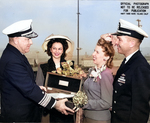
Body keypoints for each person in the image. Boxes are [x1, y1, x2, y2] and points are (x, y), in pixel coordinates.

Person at [0, 19, 74, 122]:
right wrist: (55, 104)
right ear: (16, 40)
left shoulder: (16, 55)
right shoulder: (12, 60)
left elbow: (23, 84)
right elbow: (28, 89)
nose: (31, 42)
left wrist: (37, 88)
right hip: (19, 118)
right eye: (28, 39)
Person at [110, 19, 150, 123]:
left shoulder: (140, 67)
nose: (116, 43)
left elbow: (139, 109)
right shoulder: (128, 61)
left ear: (132, 43)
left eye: (119, 39)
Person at [36, 35, 74, 123]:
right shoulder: (43, 67)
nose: (57, 51)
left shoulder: (70, 65)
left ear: (63, 50)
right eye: (54, 48)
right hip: (50, 108)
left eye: (60, 49)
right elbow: (39, 87)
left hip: (66, 106)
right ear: (50, 49)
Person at [81, 38, 115, 123]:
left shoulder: (105, 74)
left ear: (106, 57)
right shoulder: (94, 71)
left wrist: (84, 103)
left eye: (97, 52)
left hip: (99, 119)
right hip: (88, 117)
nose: (93, 54)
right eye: (94, 51)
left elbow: (106, 102)